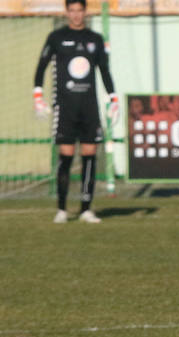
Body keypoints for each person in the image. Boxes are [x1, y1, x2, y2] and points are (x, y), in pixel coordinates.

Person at [33, 0, 118, 225]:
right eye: (72, 10)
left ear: (84, 12)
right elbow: (41, 67)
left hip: (89, 108)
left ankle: (86, 209)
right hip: (66, 107)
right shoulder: (56, 38)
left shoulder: (95, 39)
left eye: (80, 10)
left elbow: (104, 70)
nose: (76, 15)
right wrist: (37, 96)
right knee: (66, 156)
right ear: (67, 12)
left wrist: (113, 98)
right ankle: (61, 208)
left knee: (89, 155)